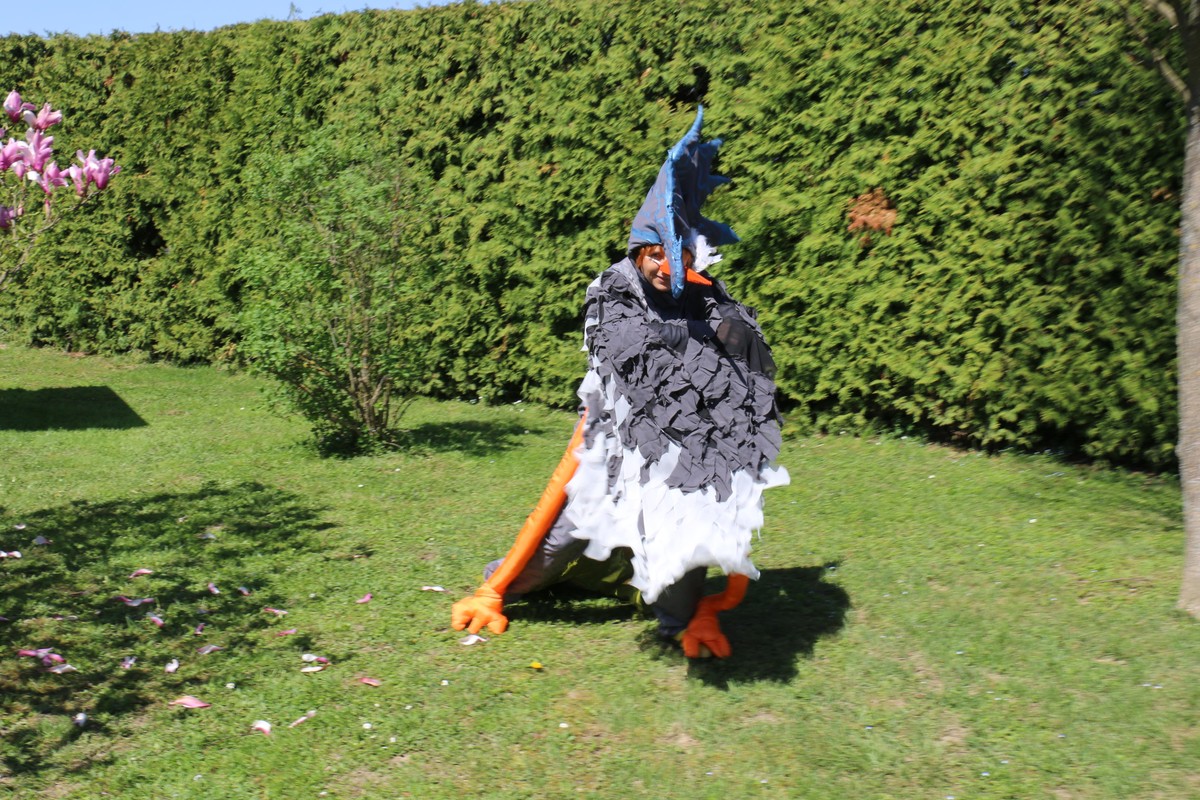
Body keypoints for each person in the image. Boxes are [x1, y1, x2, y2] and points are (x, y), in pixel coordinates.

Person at [451, 107, 788, 658]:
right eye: (656, 254)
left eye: (678, 253)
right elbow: (636, 360)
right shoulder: (611, 290)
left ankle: (682, 621)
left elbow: (741, 364)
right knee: (559, 539)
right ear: (639, 251)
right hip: (610, 443)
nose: (666, 265)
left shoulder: (707, 295)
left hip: (682, 448)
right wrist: (699, 346)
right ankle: (501, 585)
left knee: (683, 536)